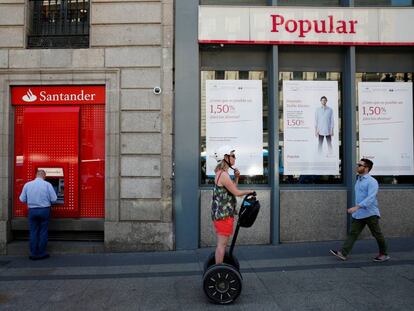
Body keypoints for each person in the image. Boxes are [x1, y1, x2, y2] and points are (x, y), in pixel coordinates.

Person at [330, 158, 390, 262]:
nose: (357, 166)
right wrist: (357, 209)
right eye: (358, 164)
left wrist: (357, 207)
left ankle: (384, 254)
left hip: (370, 213)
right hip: (359, 213)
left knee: (377, 234)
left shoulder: (372, 181)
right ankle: (343, 253)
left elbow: (371, 198)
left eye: (360, 165)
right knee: (353, 233)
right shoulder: (359, 180)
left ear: (366, 168)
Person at [211, 146, 253, 264]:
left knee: (222, 244)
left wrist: (237, 178)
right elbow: (236, 193)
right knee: (222, 245)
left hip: (222, 214)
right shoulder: (223, 175)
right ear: (225, 158)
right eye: (233, 156)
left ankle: (219, 267)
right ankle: (218, 269)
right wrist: (249, 191)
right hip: (223, 216)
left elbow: (232, 188)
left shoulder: (221, 173)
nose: (235, 158)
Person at [19, 169, 57, 260]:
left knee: (33, 231)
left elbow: (22, 199)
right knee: (43, 231)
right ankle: (41, 253)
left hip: (32, 210)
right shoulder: (48, 184)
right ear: (44, 176)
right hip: (44, 210)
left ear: (36, 175)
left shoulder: (27, 185)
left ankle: (33, 253)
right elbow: (54, 199)